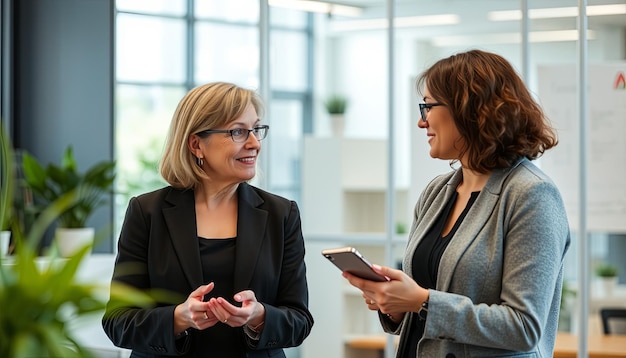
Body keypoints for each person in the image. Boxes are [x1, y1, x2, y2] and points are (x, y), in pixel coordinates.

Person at [342, 50, 570, 357]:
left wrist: (422, 301)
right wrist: (393, 304)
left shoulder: (531, 195)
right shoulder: (436, 193)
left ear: (470, 110)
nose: (422, 122)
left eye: (428, 107)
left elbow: (524, 328)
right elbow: (425, 306)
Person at [102, 82, 314, 357]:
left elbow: (300, 321)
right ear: (196, 144)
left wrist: (259, 316)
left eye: (256, 130)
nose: (254, 143)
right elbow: (117, 321)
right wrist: (179, 318)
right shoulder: (147, 212)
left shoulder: (281, 214)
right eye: (238, 132)